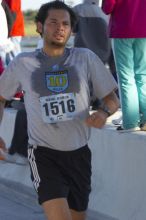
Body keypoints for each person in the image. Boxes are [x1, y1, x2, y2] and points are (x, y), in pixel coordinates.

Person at [0, 1, 119, 220]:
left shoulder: (85, 58)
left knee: (77, 216)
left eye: (65, 23)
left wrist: (103, 113)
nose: (60, 28)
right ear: (39, 26)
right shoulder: (23, 62)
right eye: (53, 22)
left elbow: (112, 99)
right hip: (43, 154)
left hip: (79, 155)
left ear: (72, 30)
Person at [102, 0, 146, 132]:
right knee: (142, 75)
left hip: (123, 29)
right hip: (144, 30)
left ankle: (130, 123)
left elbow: (107, 7)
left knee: (126, 77)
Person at [73, 0, 110, 64]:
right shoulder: (105, 13)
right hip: (102, 56)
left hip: (81, 53)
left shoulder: (77, 9)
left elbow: (73, 29)